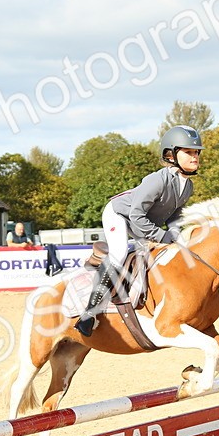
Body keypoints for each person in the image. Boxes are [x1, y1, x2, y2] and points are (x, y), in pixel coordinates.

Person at [74, 125, 202, 336]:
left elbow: (174, 216)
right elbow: (136, 215)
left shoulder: (187, 187)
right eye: (188, 152)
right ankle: (89, 313)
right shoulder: (156, 180)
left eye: (196, 152)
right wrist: (162, 236)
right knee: (119, 253)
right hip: (120, 214)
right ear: (170, 154)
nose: (195, 156)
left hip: (142, 221)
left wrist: (179, 237)